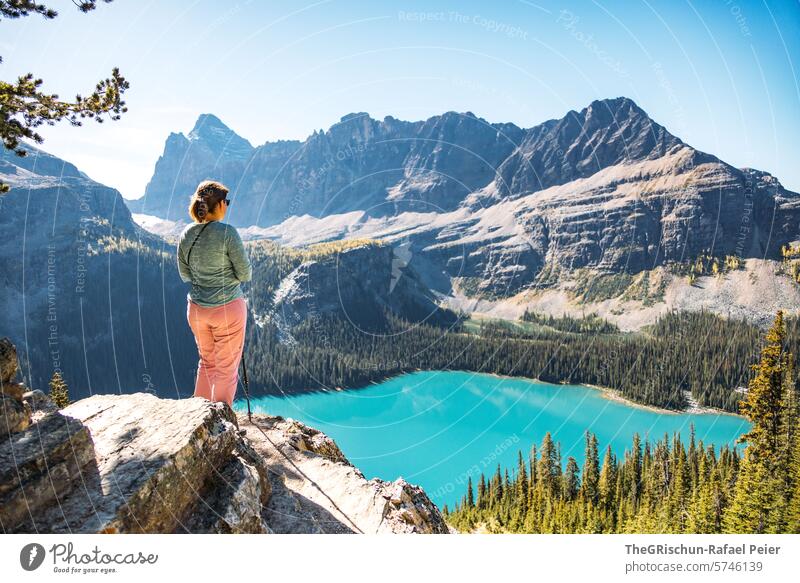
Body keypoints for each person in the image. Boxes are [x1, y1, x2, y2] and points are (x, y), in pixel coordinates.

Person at [177, 180, 252, 407]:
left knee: (206, 362)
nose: (227, 206)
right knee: (226, 370)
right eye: (226, 202)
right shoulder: (228, 233)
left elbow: (185, 274)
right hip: (227, 308)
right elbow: (245, 274)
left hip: (197, 310)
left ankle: (198, 418)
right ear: (218, 204)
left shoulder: (186, 234)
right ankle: (220, 426)